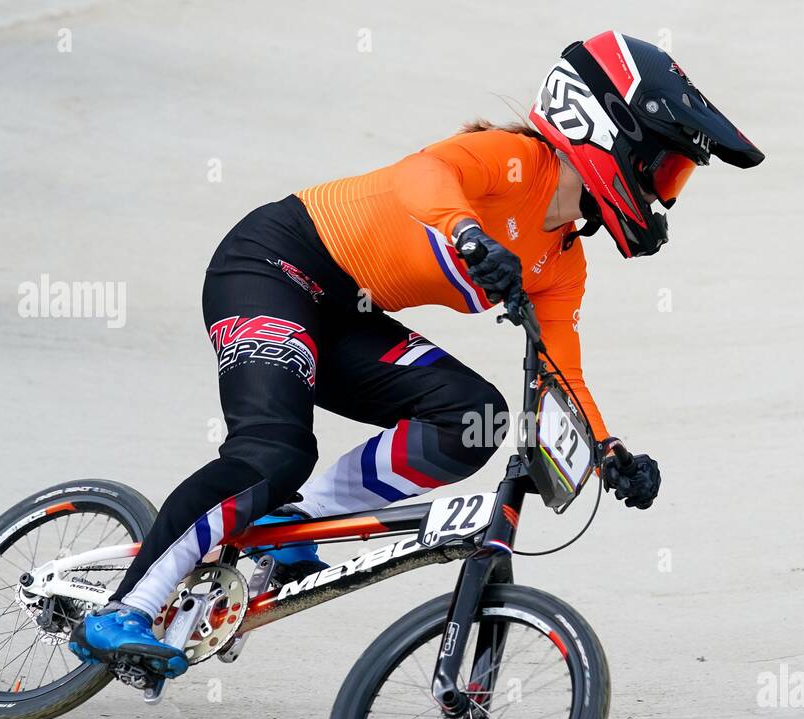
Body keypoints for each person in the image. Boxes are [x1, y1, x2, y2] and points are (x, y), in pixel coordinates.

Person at [69, 31, 764, 679]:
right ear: (602, 129)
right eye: (665, 166)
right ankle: (124, 608)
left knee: (474, 417)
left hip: (344, 315)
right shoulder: (515, 158)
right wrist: (465, 232)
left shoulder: (562, 262)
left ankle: (290, 520)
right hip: (273, 266)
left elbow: (562, 367)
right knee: (272, 453)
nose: (664, 190)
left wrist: (608, 449)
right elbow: (422, 173)